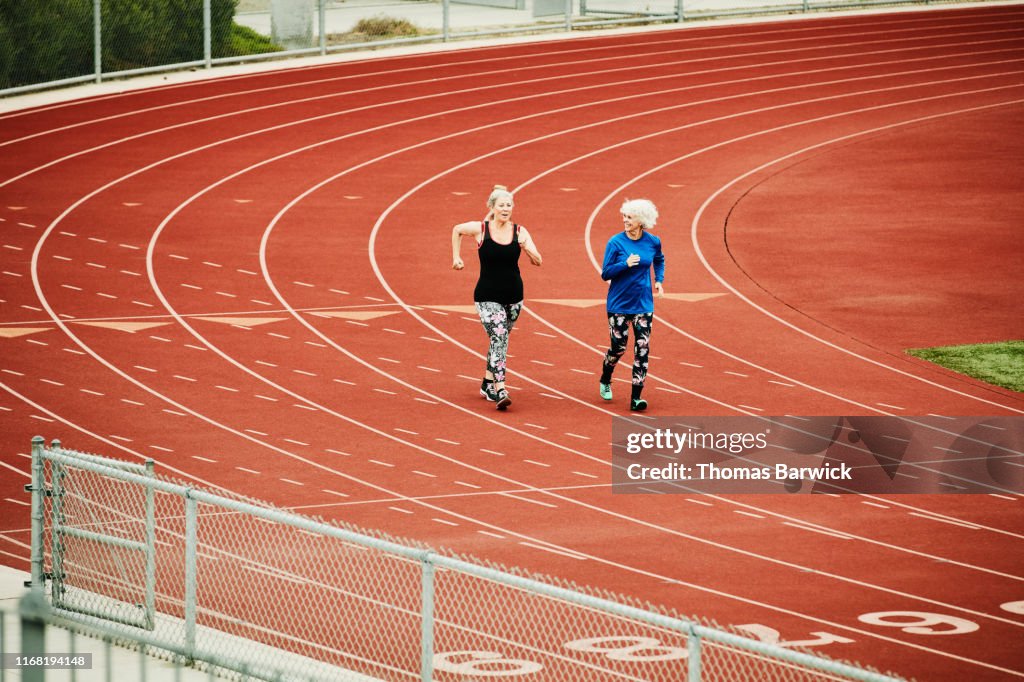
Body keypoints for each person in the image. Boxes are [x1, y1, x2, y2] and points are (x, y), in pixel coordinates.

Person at [452, 185, 542, 410]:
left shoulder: (520, 231)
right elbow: (456, 229)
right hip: (486, 296)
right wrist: (456, 257)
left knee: (498, 340)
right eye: (501, 205)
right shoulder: (480, 229)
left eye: (509, 205)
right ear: (492, 208)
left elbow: (538, 260)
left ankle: (486, 383)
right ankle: (499, 388)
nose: (505, 208)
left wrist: (527, 249)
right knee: (500, 337)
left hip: (514, 297)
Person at [599, 198, 665, 411]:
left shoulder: (653, 241)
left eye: (629, 217)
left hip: (644, 305)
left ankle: (636, 397)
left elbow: (659, 259)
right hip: (618, 304)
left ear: (641, 220)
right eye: (624, 216)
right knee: (618, 349)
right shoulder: (615, 243)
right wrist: (624, 264)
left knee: (642, 349)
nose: (625, 220)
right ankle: (606, 377)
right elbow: (606, 273)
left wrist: (659, 280)